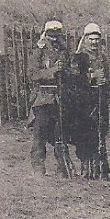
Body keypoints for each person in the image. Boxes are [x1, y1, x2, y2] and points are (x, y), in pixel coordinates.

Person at [27, 20, 74, 177]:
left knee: (59, 134)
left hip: (60, 97)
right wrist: (53, 71)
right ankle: (38, 167)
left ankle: (62, 168)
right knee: (40, 134)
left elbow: (70, 71)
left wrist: (66, 72)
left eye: (57, 34)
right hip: (43, 98)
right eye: (51, 35)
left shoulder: (63, 50)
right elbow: (33, 74)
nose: (54, 38)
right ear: (46, 34)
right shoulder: (38, 51)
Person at [71, 23, 110, 179]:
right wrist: (92, 77)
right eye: (91, 39)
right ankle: (86, 168)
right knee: (85, 134)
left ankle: (100, 169)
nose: (94, 43)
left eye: (97, 40)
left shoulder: (103, 58)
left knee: (100, 133)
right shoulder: (79, 57)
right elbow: (74, 78)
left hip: (99, 99)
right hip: (83, 101)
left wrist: (105, 82)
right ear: (85, 39)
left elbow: (109, 77)